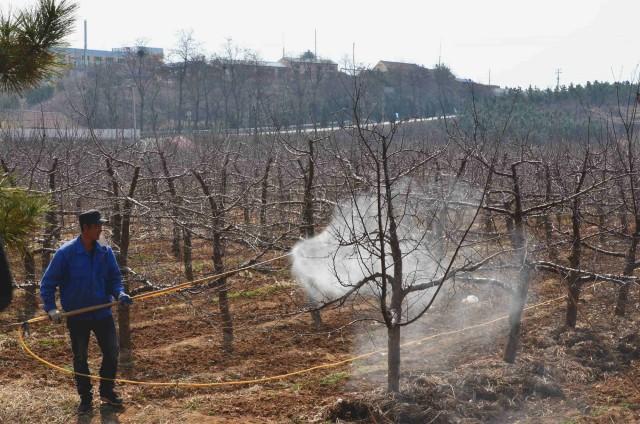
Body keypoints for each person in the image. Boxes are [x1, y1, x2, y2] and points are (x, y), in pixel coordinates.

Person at [40, 209, 133, 414]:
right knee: (80, 357)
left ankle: (107, 392)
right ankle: (85, 398)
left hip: (102, 314)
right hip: (77, 316)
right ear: (86, 228)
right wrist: (51, 308)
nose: (101, 229)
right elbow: (47, 284)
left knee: (111, 352)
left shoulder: (105, 251)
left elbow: (114, 279)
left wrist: (119, 294)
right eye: (98, 225)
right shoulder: (66, 253)